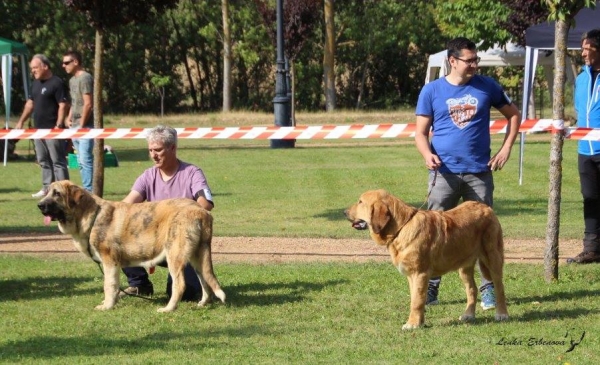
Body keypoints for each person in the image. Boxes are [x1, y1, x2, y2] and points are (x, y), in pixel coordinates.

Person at [414, 37, 521, 309]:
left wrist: (506, 148)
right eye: (469, 60)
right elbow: (420, 133)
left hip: (478, 173)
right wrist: (427, 154)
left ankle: (488, 291)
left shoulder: (487, 86)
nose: (475, 65)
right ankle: (430, 290)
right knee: (433, 234)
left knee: (483, 235)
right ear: (452, 61)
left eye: (476, 60)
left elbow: (513, 115)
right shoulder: (432, 91)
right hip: (444, 175)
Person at [120, 125, 214, 301]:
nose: (153, 155)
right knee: (119, 242)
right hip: (154, 243)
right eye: (150, 150)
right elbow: (126, 206)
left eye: (158, 150)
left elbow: (206, 204)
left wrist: (179, 215)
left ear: (173, 148)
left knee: (183, 294)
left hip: (183, 244)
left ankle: (197, 283)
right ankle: (139, 284)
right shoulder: (148, 176)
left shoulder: (192, 173)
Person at [15, 54, 70, 198]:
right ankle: (47, 188)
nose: (33, 71)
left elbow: (63, 105)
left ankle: (63, 189)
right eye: (31, 68)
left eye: (35, 67)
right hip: (38, 130)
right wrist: (21, 121)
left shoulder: (57, 83)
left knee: (57, 161)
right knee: (43, 160)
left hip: (53, 129)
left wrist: (59, 125)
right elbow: (30, 104)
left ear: (45, 66)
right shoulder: (35, 84)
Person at [567, 28, 600, 264]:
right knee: (590, 198)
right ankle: (592, 248)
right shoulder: (581, 78)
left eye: (588, 49)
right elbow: (580, 110)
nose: (583, 53)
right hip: (585, 150)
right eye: (583, 48)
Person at [62, 50, 94, 192]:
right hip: (73, 126)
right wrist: (69, 118)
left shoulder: (85, 78)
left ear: (76, 62)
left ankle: (89, 190)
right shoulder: (72, 80)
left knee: (85, 160)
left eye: (66, 62)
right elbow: (75, 102)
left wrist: (81, 124)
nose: (64, 65)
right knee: (80, 161)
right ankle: (86, 188)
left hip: (85, 127)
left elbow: (88, 103)